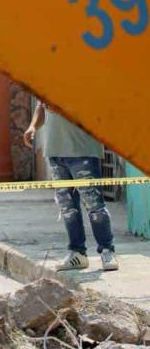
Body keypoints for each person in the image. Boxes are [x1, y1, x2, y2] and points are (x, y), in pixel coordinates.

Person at [25, 102, 118, 272]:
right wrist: (32, 127)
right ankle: (77, 253)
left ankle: (107, 250)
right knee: (68, 208)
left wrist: (66, 109)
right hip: (54, 151)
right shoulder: (48, 80)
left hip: (82, 150)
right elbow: (40, 107)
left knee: (94, 205)